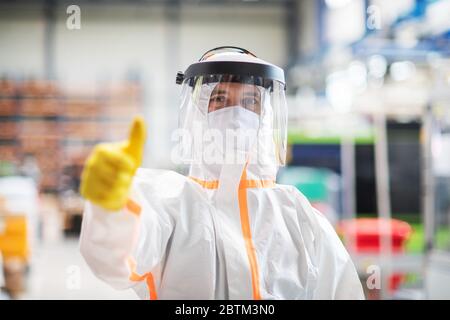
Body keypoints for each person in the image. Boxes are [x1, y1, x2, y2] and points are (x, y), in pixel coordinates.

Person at [79, 47, 365, 299]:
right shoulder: (169, 204)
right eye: (219, 98)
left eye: (252, 102)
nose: (237, 114)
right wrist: (112, 208)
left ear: (266, 118)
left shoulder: (299, 217)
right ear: (196, 113)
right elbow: (115, 260)